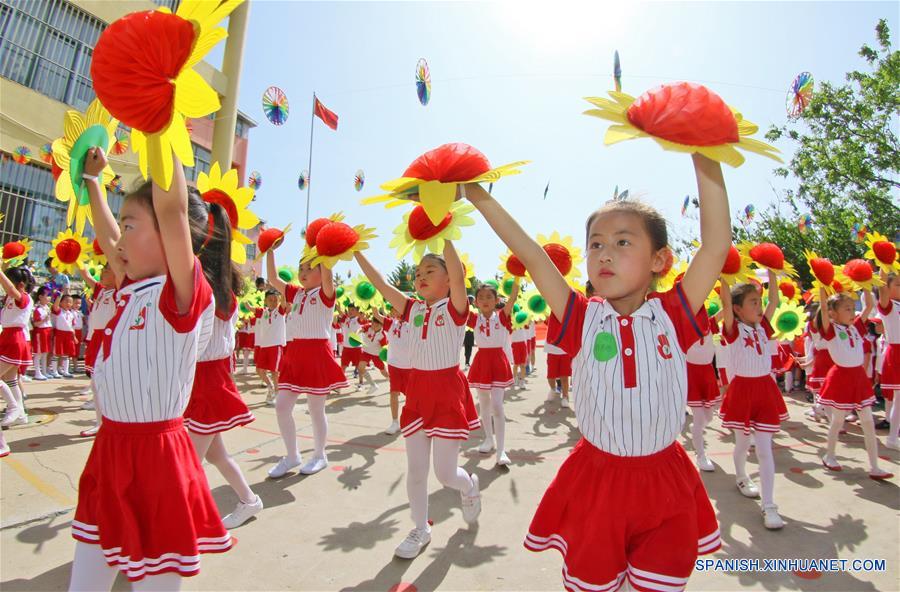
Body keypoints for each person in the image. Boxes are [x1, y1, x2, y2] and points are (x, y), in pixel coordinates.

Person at [466, 153, 727, 591]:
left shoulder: (675, 313)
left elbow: (717, 243)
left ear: (659, 260)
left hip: (666, 479)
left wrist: (704, 152)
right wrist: (475, 194)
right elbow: (530, 253)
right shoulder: (581, 317)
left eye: (623, 242)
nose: (604, 253)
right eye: (596, 244)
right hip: (597, 481)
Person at [68, 147, 232, 590]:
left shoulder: (178, 295)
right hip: (110, 451)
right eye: (121, 225)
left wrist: (160, 129)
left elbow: (173, 207)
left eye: (130, 226)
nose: (118, 239)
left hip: (159, 460)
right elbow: (106, 235)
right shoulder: (129, 285)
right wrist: (91, 182)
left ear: (172, 237)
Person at [355, 243, 482, 559]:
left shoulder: (456, 308)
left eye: (430, 270)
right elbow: (382, 284)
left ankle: (469, 488)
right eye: (418, 272)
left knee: (445, 474)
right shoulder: (411, 308)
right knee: (416, 471)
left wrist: (445, 233)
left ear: (450, 280)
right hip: (417, 393)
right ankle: (420, 529)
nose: (421, 276)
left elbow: (457, 270)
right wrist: (354, 250)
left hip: (447, 391)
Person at [265, 246, 348, 478]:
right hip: (295, 354)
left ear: (322, 271)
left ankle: (320, 455)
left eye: (311, 267)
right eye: (301, 267)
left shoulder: (325, 294)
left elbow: (329, 275)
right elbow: (272, 278)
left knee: (315, 409)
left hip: (317, 353)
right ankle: (292, 456)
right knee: (282, 407)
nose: (303, 272)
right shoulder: (296, 293)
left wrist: (325, 249)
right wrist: (269, 250)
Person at [718, 272, 788, 529]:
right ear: (738, 309)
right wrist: (724, 275)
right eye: (753, 302)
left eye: (759, 302)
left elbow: (774, 299)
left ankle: (769, 506)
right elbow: (726, 304)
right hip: (742, 391)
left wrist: (772, 270)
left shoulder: (763, 326)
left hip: (765, 390)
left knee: (764, 449)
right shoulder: (733, 330)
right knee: (742, 443)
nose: (759, 307)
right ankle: (741, 476)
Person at [817, 288, 892, 479]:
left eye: (852, 308)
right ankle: (830, 455)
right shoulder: (831, 330)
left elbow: (868, 305)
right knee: (838, 420)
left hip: (858, 378)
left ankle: (874, 466)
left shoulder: (856, 327)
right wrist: (822, 286)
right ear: (834, 313)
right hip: (842, 378)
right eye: (847, 309)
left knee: (867, 422)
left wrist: (866, 284)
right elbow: (824, 309)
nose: (852, 312)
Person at [467, 280, 518, 465]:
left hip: (498, 362)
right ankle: (489, 439)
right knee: (484, 405)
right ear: (476, 302)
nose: (485, 300)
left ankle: (501, 450)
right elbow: (456, 306)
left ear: (497, 300)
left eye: (489, 297)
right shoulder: (474, 319)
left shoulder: (502, 316)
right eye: (481, 297)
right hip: (482, 362)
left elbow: (511, 300)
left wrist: (515, 286)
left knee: (497, 405)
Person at [0, 266, 35, 427]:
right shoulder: (9, 298)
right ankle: (20, 414)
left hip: (15, 339)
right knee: (10, 379)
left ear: (20, 285)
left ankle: (13, 407)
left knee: (8, 378)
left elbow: (11, 289)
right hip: (7, 336)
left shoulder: (24, 297)